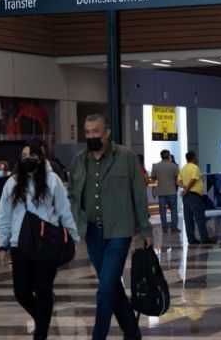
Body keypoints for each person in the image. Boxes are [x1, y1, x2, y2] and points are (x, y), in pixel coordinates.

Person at [68, 115, 153, 340]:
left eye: (95, 131)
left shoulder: (126, 157)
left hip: (119, 231)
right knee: (112, 286)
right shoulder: (79, 160)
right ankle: (133, 334)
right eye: (87, 132)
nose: (91, 136)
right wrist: (77, 220)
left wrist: (145, 229)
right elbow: (72, 194)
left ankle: (98, 336)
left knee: (105, 288)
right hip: (92, 232)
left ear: (107, 133)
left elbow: (138, 193)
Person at [0, 143, 79, 340]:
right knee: (21, 292)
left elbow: (64, 210)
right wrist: (2, 244)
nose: (27, 159)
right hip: (19, 244)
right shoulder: (12, 182)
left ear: (40, 158)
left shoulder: (53, 180)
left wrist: (73, 238)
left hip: (46, 243)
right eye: (23, 156)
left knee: (42, 289)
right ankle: (42, 318)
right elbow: (4, 214)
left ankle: (40, 334)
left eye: (31, 155)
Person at [178, 151, 213, 244]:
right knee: (200, 217)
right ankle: (204, 238)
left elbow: (178, 182)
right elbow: (193, 180)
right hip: (194, 196)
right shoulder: (195, 167)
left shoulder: (183, 168)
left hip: (186, 197)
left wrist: (184, 188)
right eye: (195, 157)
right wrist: (186, 189)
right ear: (193, 158)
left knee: (188, 218)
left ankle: (191, 239)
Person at [151, 150, 181, 233]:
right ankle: (174, 227)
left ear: (161, 156)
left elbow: (153, 178)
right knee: (173, 210)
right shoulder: (174, 166)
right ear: (169, 156)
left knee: (162, 211)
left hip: (161, 192)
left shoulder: (156, 166)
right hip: (172, 191)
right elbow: (177, 178)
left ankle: (164, 228)